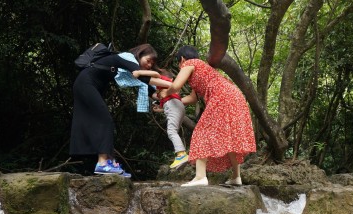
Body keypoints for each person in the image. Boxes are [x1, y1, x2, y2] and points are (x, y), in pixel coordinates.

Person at [158, 46, 256, 186]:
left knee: (201, 132)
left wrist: (165, 94)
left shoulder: (189, 63)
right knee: (230, 136)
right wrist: (166, 105)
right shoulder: (201, 69)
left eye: (179, 63)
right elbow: (192, 98)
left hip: (222, 97)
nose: (180, 67)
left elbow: (176, 86)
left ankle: (200, 177)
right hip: (234, 95)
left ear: (182, 59)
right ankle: (236, 177)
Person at [70, 43, 169, 178]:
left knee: (103, 121)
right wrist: (173, 85)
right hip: (85, 84)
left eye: (152, 63)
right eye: (148, 60)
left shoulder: (132, 67)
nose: (150, 65)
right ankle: (103, 163)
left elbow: (148, 88)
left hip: (88, 85)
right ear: (139, 56)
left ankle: (109, 162)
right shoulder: (127, 58)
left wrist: (162, 98)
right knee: (105, 120)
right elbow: (144, 78)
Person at [133, 68, 188, 170]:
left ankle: (181, 154)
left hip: (173, 105)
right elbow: (168, 106)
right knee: (174, 131)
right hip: (177, 106)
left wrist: (139, 72)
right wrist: (160, 109)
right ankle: (181, 156)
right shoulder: (166, 91)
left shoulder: (165, 81)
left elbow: (155, 74)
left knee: (171, 131)